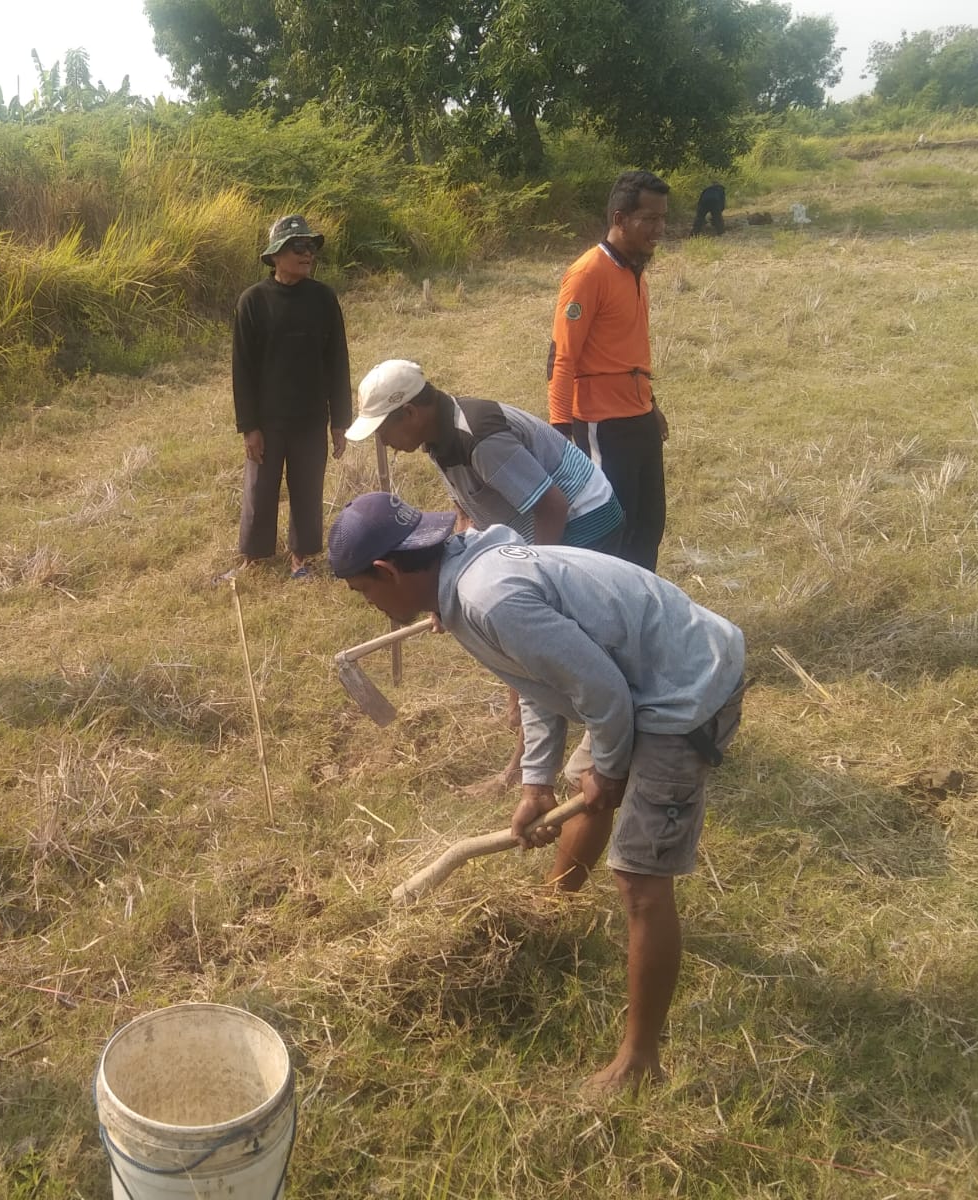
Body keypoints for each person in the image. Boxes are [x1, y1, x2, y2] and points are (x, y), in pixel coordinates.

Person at [328, 491, 745, 1095]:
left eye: (365, 593)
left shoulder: (488, 597)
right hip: (642, 678)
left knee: (639, 879)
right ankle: (555, 909)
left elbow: (601, 689)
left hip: (685, 687)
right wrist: (536, 783)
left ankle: (639, 1063)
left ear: (389, 572)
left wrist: (611, 769)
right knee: (589, 779)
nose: (372, 607)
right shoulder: (466, 588)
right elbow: (537, 681)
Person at [346, 358, 625, 788]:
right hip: (541, 524)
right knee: (515, 636)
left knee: (540, 641)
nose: (382, 440)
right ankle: (526, 768)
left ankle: (604, 742)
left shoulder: (478, 439)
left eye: (383, 428)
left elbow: (553, 505)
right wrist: (443, 589)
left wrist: (539, 579)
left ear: (410, 413)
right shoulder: (438, 440)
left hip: (585, 519)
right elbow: (466, 513)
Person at [547, 170, 671, 572]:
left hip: (639, 419)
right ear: (619, 219)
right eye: (649, 220)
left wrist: (651, 405)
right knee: (610, 531)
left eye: (662, 219)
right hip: (602, 425)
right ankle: (605, 621)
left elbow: (630, 352)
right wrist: (560, 433)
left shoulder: (636, 272)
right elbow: (562, 358)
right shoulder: (587, 274)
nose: (659, 230)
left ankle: (640, 614)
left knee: (648, 526)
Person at [225, 214, 350, 582]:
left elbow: (337, 361)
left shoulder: (323, 299)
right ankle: (254, 557)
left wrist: (340, 421)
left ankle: (301, 558)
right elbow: (242, 370)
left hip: (311, 417)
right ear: (276, 254)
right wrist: (249, 426)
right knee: (260, 489)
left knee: (308, 486)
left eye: (311, 247)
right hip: (268, 420)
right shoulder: (253, 302)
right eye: (299, 247)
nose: (307, 254)